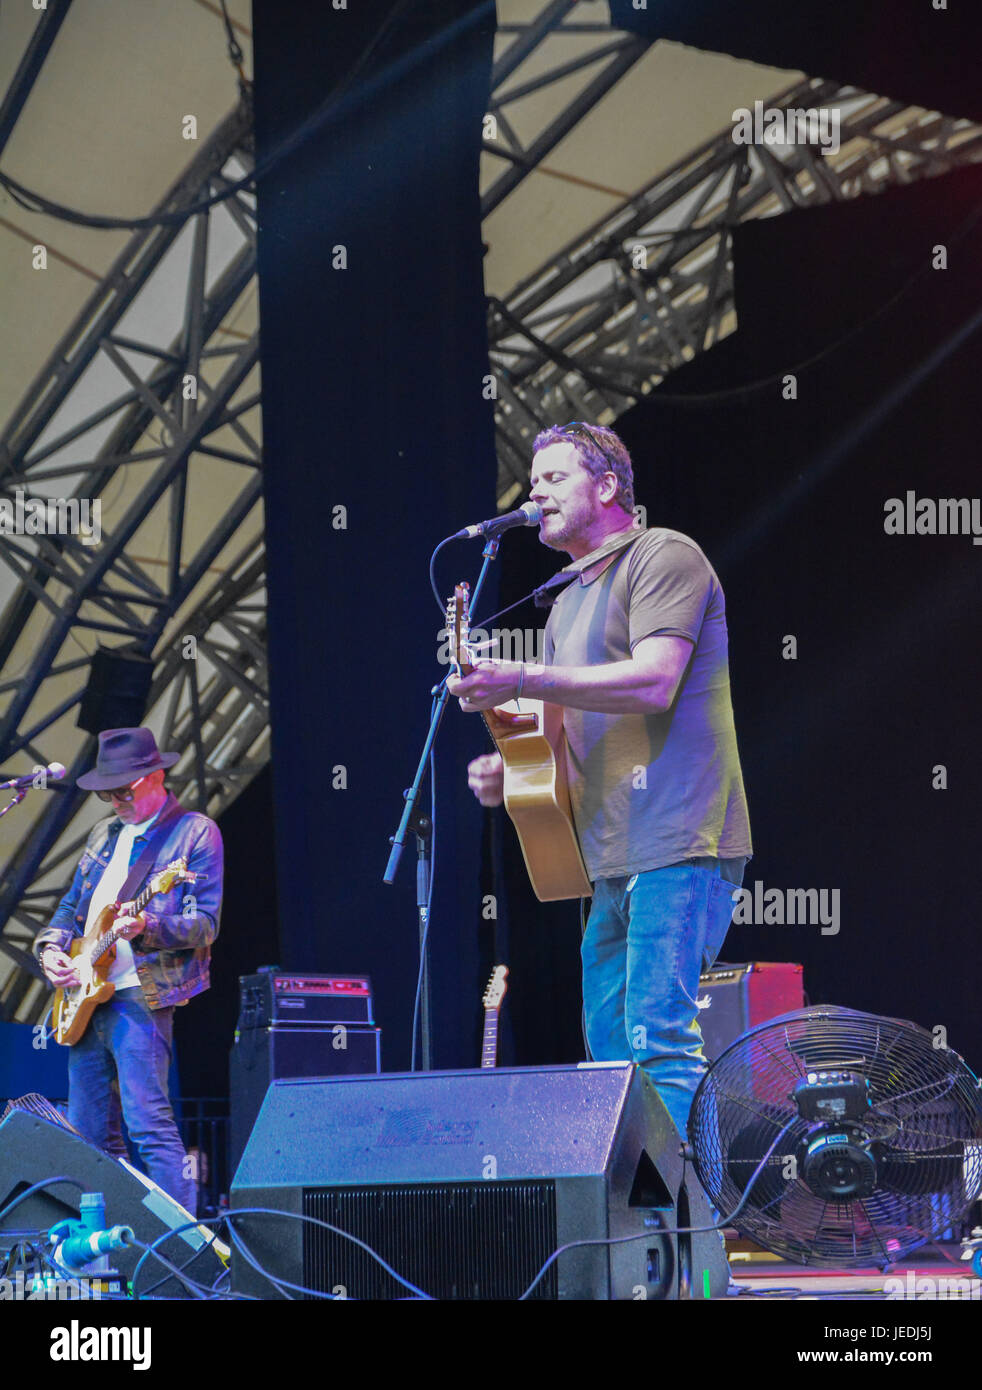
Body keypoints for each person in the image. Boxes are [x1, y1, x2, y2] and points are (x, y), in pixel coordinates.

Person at [448, 423, 751, 1139]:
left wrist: (519, 673)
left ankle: (686, 1235)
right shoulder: (568, 599)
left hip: (678, 838)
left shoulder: (665, 555)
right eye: (532, 481)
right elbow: (552, 732)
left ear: (608, 487)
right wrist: (509, 766)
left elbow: (653, 682)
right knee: (612, 1055)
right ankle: (636, 1235)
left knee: (658, 1041)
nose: (535, 493)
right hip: (609, 857)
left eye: (553, 478)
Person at [34, 727, 223, 1212]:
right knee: (89, 1135)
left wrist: (146, 925)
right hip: (86, 996)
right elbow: (70, 909)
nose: (115, 801)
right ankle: (109, 1248)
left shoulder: (193, 832)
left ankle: (185, 1247)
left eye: (124, 790)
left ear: (156, 776)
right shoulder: (104, 834)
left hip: (141, 993)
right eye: (107, 793)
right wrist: (51, 951)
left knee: (148, 1124)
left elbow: (205, 925)